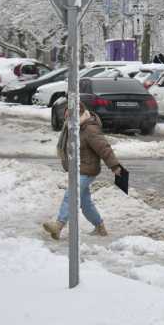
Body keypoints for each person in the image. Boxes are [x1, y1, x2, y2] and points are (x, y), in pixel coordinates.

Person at [43, 102, 124, 240]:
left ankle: (59, 225)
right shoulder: (73, 127)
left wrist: (115, 166)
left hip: (87, 169)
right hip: (77, 169)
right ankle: (100, 227)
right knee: (85, 203)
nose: (66, 118)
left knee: (71, 194)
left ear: (78, 114)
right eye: (66, 115)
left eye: (69, 115)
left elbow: (104, 148)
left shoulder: (89, 129)